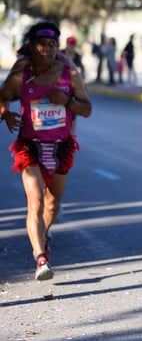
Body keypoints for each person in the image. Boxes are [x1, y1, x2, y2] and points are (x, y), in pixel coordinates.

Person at [0, 22, 93, 281]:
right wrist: (6, 113)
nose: (47, 49)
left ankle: (43, 235)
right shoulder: (21, 74)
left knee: (52, 203)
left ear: (57, 46)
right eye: (41, 44)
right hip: (30, 145)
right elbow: (2, 96)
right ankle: (41, 258)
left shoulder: (69, 74)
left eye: (52, 44)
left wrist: (68, 102)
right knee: (36, 202)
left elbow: (88, 109)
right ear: (31, 46)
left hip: (62, 146)